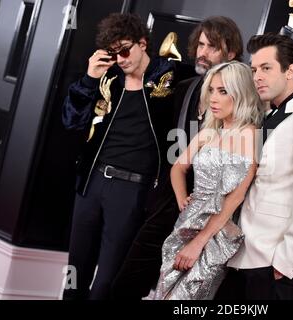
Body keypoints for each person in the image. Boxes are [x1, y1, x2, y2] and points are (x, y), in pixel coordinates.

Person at [111, 16, 244, 300]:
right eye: (200, 45)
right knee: (127, 282)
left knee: (184, 294)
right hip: (168, 199)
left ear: (231, 54)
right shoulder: (183, 88)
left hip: (210, 210)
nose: (202, 53)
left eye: (212, 47)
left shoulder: (243, 101)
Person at [61, 13, 182, 300]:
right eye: (114, 54)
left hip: (132, 189)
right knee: (74, 272)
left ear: (143, 43)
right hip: (91, 182)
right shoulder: (108, 79)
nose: (121, 58)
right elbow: (71, 121)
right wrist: (89, 79)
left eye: (125, 50)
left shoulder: (169, 78)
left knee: (107, 280)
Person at [220, 33, 293, 300]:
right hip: (243, 254)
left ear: (290, 71)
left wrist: (285, 262)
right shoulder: (268, 115)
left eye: (266, 68)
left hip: (273, 264)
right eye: (254, 69)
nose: (257, 76)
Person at [153, 61, 264, 300]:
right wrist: (184, 201)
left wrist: (199, 242)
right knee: (164, 293)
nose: (213, 98)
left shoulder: (251, 134)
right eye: (211, 90)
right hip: (186, 224)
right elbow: (177, 169)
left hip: (216, 234)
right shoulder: (208, 133)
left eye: (222, 91)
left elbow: (236, 197)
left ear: (241, 92)